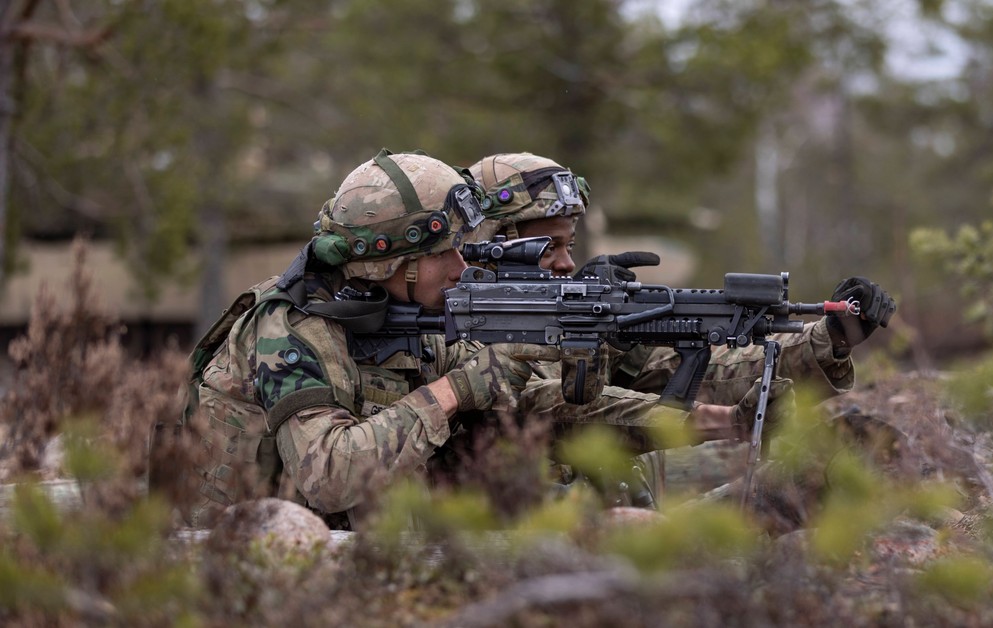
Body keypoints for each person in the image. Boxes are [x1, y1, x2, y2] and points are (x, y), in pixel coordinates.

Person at [181, 150, 560, 528]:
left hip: (347, 557)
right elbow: (329, 476)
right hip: (240, 560)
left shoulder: (405, 314)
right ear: (391, 260)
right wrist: (454, 391)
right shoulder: (291, 326)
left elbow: (502, 387)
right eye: (443, 253)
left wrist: (580, 376)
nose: (460, 270)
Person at [468, 152, 896, 409]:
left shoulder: (577, 322)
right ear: (490, 246)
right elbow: (546, 411)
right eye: (547, 248)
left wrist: (829, 339)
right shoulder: (444, 334)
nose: (565, 264)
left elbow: (715, 376)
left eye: (569, 246)